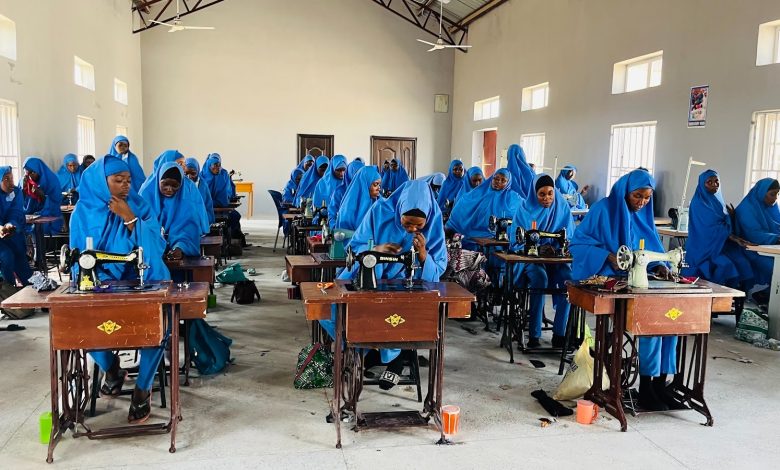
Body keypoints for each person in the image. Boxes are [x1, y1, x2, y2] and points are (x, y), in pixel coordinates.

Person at [70, 155, 170, 424]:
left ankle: (142, 389)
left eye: (128, 180)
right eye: (118, 180)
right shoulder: (81, 212)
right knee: (76, 328)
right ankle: (112, 368)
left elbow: (156, 246)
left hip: (138, 276)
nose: (126, 185)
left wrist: (130, 219)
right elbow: (79, 257)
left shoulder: (138, 204)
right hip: (100, 282)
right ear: (100, 183)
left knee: (158, 327)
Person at [570, 169, 679, 412]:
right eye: (637, 196)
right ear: (625, 192)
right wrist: (605, 256)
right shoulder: (603, 210)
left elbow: (653, 248)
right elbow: (578, 244)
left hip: (640, 284)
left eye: (647, 197)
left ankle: (660, 384)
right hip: (611, 283)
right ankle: (647, 388)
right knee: (652, 326)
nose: (642, 203)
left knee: (671, 324)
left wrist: (661, 265)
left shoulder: (643, 216)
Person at [320, 179, 446, 389]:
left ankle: (394, 359)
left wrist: (423, 255)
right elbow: (357, 245)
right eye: (406, 223)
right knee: (332, 310)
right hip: (373, 274)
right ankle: (368, 350)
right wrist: (376, 250)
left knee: (401, 310)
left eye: (418, 225)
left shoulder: (435, 221)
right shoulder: (379, 211)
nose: (411, 229)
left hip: (410, 280)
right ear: (399, 211)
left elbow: (439, 266)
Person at [511, 174, 575, 348]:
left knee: (568, 279)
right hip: (530, 259)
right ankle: (534, 335)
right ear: (534, 193)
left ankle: (560, 334)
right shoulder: (524, 210)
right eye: (542, 194)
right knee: (540, 278)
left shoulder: (562, 208)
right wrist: (537, 248)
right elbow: (514, 240)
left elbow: (570, 236)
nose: (547, 198)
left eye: (550, 193)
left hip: (554, 259)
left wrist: (557, 247)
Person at [686, 170, 752, 290]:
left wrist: (732, 216)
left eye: (716, 181)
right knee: (726, 265)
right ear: (702, 184)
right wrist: (734, 237)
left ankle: (729, 297)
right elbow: (709, 228)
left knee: (742, 261)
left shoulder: (717, 202)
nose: (714, 184)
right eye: (709, 182)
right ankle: (714, 294)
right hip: (702, 248)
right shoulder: (698, 203)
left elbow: (721, 223)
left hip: (718, 245)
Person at [140, 161, 208, 262]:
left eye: (175, 185)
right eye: (165, 184)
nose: (169, 189)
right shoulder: (146, 195)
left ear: (181, 185)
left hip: (176, 255)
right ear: (158, 180)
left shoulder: (186, 202)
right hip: (150, 254)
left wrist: (180, 247)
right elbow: (141, 227)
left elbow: (188, 230)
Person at [446, 168, 519, 251]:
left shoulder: (514, 198)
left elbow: (519, 217)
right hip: (472, 237)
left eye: (503, 180)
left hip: (498, 239)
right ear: (491, 179)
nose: (498, 182)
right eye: (496, 179)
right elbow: (461, 208)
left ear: (508, 183)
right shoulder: (476, 194)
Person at [735, 178, 780, 303]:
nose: (775, 198)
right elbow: (753, 234)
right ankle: (768, 297)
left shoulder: (771, 207)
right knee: (777, 268)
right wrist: (776, 238)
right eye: (772, 194)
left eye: (777, 194)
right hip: (751, 250)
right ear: (761, 192)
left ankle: (768, 296)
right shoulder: (747, 208)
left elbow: (777, 226)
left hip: (768, 248)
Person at [200, 154, 245, 245]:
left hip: (219, 207)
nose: (218, 168)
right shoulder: (201, 177)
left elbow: (224, 197)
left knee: (235, 216)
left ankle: (232, 242)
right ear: (209, 165)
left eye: (219, 165)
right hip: (205, 209)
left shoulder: (222, 175)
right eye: (215, 165)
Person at [0, 166, 33, 286]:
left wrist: (10, 225)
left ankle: (30, 289)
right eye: (6, 179)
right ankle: (9, 289)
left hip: (10, 233)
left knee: (19, 253)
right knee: (6, 256)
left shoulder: (16, 192)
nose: (11, 183)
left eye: (12, 178)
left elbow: (16, 212)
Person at [331, 165, 382, 238]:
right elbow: (342, 236)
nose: (378, 188)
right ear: (365, 184)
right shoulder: (347, 210)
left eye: (379, 185)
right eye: (375, 184)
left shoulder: (378, 203)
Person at [21, 156, 63, 234]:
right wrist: (23, 189)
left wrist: (42, 196)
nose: (30, 176)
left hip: (50, 217)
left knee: (43, 230)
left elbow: (56, 203)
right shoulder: (25, 181)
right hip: (30, 218)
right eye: (27, 173)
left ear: (40, 170)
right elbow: (20, 203)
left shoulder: (52, 181)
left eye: (33, 172)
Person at [312, 155, 347, 221]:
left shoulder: (348, 183)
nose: (341, 173)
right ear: (332, 169)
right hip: (323, 219)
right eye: (338, 170)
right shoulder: (322, 183)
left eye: (344, 170)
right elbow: (316, 204)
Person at [184, 158, 215, 224]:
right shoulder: (180, 185)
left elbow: (208, 208)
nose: (189, 177)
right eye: (186, 173)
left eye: (193, 173)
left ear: (198, 172)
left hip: (201, 221)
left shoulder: (203, 186)